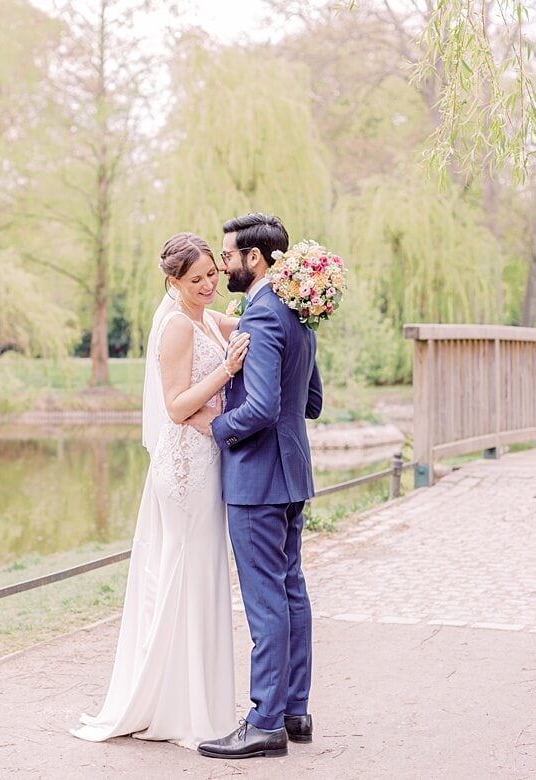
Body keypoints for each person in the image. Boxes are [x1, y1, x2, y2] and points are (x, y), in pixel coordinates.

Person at [71, 232, 250, 749]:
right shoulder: (175, 325)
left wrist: (292, 291)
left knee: (198, 579)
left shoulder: (205, 315)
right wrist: (227, 369)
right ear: (173, 283)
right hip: (185, 469)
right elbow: (175, 406)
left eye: (214, 274)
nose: (209, 285)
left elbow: (244, 322)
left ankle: (189, 701)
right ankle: (186, 712)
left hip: (206, 459)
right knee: (187, 577)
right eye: (196, 280)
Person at [193, 212, 323, 760]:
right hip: (292, 473)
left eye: (229, 256)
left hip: (256, 481)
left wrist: (218, 428)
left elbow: (264, 407)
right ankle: (294, 711)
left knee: (267, 600)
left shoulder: (263, 316)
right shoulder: (299, 312)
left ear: (257, 258)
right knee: (290, 590)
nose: (224, 266)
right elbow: (310, 403)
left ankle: (265, 720)